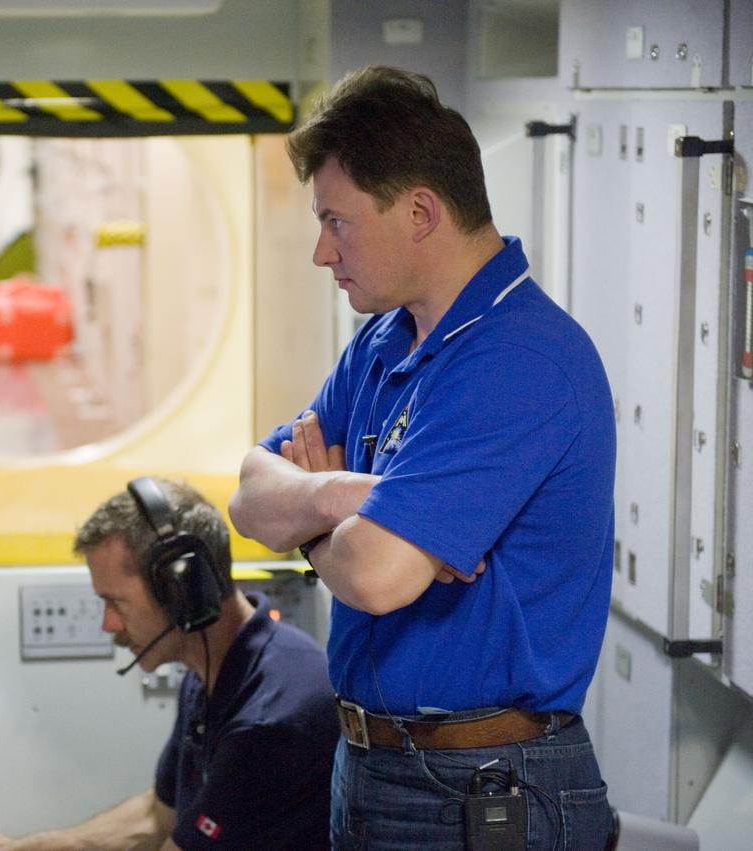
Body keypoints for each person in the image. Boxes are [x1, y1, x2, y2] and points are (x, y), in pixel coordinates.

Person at [228, 65, 617, 850]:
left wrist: (306, 522)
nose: (320, 252)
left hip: (482, 785)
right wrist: (346, 492)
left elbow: (374, 576)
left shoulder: (520, 359)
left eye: (337, 221)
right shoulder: (383, 341)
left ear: (419, 212)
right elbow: (246, 496)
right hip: (373, 765)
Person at [0, 477, 338, 850]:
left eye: (116, 602)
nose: (107, 623)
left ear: (184, 591)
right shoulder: (209, 672)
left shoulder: (272, 723)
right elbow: (154, 817)